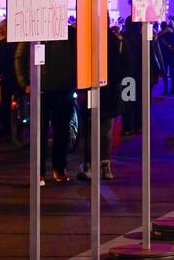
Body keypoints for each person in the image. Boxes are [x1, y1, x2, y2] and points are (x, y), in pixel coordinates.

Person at [16, 27, 78, 183]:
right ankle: (40, 171)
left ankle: (58, 168)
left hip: (63, 90)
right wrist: (25, 83)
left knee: (61, 133)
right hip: (41, 90)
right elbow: (20, 57)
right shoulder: (36, 28)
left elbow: (79, 57)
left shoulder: (70, 33)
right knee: (40, 133)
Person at [78, 24, 125, 181]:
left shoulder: (87, 40)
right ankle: (105, 166)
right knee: (106, 131)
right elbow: (126, 66)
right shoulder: (116, 40)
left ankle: (90, 165)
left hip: (93, 90)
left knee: (92, 129)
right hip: (110, 92)